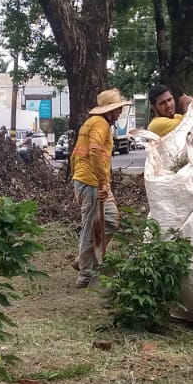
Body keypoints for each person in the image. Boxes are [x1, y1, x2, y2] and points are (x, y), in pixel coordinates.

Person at [70, 88, 129, 288]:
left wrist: (76, 181)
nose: (120, 112)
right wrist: (102, 182)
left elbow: (75, 155)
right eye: (117, 109)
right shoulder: (100, 124)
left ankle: (83, 259)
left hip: (87, 181)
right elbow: (94, 151)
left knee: (110, 220)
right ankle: (86, 275)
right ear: (109, 111)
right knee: (89, 227)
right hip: (93, 182)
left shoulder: (91, 123)